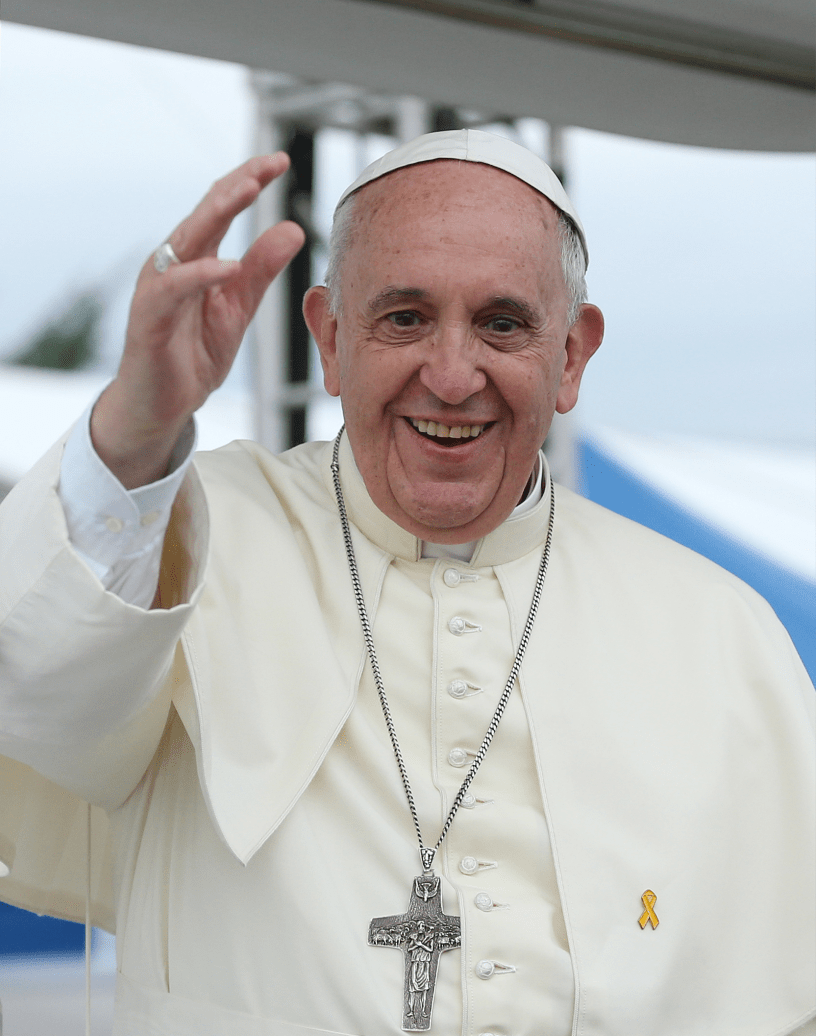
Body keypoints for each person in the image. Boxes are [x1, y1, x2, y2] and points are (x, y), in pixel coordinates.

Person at [0, 130, 813, 1036]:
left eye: (503, 323)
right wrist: (134, 429)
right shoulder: (186, 534)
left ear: (573, 355)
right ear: (331, 340)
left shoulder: (717, 633)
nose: (453, 375)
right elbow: (37, 696)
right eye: (405, 318)